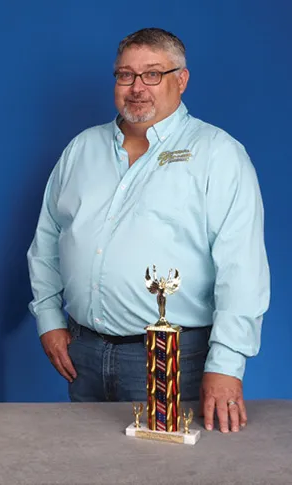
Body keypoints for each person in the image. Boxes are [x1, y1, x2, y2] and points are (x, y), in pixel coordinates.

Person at [26, 28, 269, 434]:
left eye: (153, 74)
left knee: (166, 472)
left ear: (182, 79)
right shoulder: (82, 149)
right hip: (82, 350)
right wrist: (49, 318)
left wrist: (227, 363)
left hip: (176, 356)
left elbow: (241, 267)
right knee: (84, 465)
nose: (137, 88)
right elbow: (47, 239)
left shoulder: (219, 154)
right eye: (126, 75)